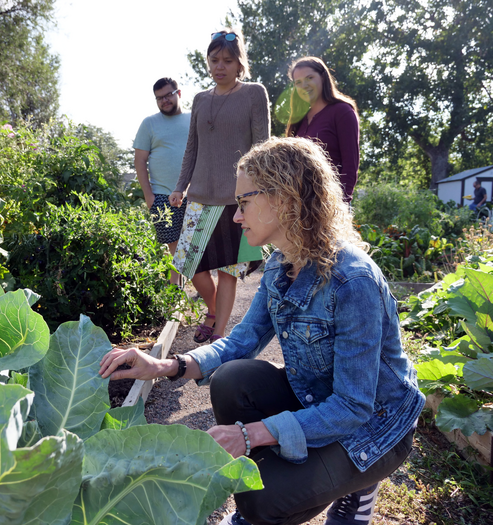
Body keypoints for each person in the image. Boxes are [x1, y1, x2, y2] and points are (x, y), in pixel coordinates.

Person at [100, 137, 425, 525]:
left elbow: (355, 406)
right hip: (319, 402)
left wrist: (251, 435)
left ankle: (356, 483)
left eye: (243, 203)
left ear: (284, 199)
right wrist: (165, 365)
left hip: (376, 427)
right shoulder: (279, 265)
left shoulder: (351, 282)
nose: (236, 217)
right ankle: (304, 479)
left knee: (261, 503)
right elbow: (242, 341)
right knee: (233, 379)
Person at [169, 29, 270, 343]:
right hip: (199, 196)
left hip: (236, 198)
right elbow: (192, 148)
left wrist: (259, 190)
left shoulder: (254, 93)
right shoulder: (200, 99)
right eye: (214, 60)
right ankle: (211, 310)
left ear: (240, 63)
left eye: (228, 60)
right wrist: (179, 186)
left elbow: (262, 145)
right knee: (188, 262)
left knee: (229, 270)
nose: (220, 66)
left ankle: (219, 334)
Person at [134, 77, 192, 286]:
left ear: (178, 93)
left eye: (168, 95)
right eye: (159, 98)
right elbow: (140, 161)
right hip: (161, 194)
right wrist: (148, 196)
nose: (164, 100)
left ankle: (198, 288)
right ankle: (174, 291)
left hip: (195, 193)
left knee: (195, 244)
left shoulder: (193, 119)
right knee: (172, 245)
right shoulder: (149, 123)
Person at [285, 57, 360, 204]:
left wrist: (340, 205)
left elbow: (350, 165)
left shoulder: (342, 111)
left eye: (309, 78)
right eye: (298, 82)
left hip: (331, 203)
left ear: (323, 78)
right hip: (301, 205)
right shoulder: (298, 119)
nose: (304, 85)